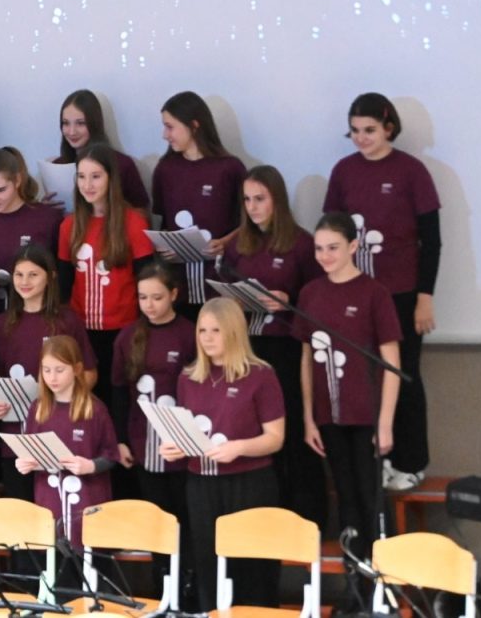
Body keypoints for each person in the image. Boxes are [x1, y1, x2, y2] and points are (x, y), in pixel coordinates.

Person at [323, 92, 440, 490]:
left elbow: (431, 240)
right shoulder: (343, 171)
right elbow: (332, 231)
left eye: (369, 130)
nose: (361, 138)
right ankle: (379, 460)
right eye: (354, 131)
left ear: (389, 128)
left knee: (404, 376)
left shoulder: (411, 171)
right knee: (364, 379)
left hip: (402, 294)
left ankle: (412, 462)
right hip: (357, 294)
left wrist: (425, 297)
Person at [160, 297, 285, 613]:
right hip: (201, 484)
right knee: (209, 564)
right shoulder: (188, 377)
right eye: (202, 330)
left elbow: (275, 438)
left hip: (249, 483)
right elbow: (188, 432)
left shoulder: (261, 374)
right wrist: (174, 447)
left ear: (233, 331)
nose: (207, 338)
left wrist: (240, 447)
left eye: (216, 330)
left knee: (252, 568)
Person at [221, 165, 327, 527]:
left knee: (291, 430)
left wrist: (288, 299)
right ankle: (265, 518)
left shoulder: (301, 244)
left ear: (277, 199)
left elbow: (319, 298)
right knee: (253, 430)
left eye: (260, 199)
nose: (253, 207)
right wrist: (235, 300)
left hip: (287, 348)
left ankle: (306, 519)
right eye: (247, 200)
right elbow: (222, 291)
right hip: (248, 349)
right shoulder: (237, 245)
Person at [295, 213, 401, 571]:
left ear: (353, 246)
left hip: (366, 415)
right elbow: (307, 359)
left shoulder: (374, 293)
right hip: (329, 415)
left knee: (371, 496)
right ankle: (356, 577)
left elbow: (392, 363)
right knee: (345, 495)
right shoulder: (310, 293)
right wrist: (309, 418)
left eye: (333, 248)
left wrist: (385, 423)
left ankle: (384, 579)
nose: (324, 256)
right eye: (319, 249)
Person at [0, 244, 97, 501]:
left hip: (61, 429)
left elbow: (89, 374)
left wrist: (61, 395)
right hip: (17, 434)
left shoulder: (67, 321)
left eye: (33, 274)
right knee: (21, 508)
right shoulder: (1, 324)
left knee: (61, 504)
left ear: (50, 277)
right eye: (19, 274)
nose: (24, 281)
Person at [57, 143, 154, 414]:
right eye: (81, 176)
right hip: (81, 332)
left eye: (96, 176)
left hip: (124, 330)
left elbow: (145, 279)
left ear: (111, 178)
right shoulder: (69, 225)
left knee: (120, 402)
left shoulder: (133, 222)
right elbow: (64, 284)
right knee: (87, 405)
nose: (87, 184)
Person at [111, 260, 195, 524]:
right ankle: (160, 555)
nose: (149, 305)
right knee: (155, 516)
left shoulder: (189, 334)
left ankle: (186, 554)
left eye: (157, 298)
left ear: (173, 294)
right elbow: (119, 392)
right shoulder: (128, 336)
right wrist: (121, 440)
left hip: (181, 440)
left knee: (184, 513)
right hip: (142, 440)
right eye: (143, 297)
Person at [16, 335, 119, 551]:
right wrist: (23, 463)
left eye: (60, 370)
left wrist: (90, 466)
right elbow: (29, 450)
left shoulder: (95, 409)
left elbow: (111, 455)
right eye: (46, 370)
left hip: (88, 500)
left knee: (86, 558)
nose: (52, 377)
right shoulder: (37, 409)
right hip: (49, 500)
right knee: (54, 556)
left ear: (77, 369)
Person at [152, 91, 246, 317]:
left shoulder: (230, 168)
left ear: (194, 126)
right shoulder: (165, 169)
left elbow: (250, 222)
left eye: (170, 127)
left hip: (220, 281)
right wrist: (162, 246)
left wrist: (225, 242)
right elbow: (160, 222)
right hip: (177, 285)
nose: (165, 135)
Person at [0, 146, 63, 314]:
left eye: (1, 190)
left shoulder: (47, 219)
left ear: (17, 180)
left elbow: (62, 272)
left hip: (42, 312)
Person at [54, 89, 150, 212]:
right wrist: (46, 208)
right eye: (66, 123)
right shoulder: (57, 165)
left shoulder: (122, 164)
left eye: (80, 123)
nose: (72, 132)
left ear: (94, 123)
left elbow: (143, 213)